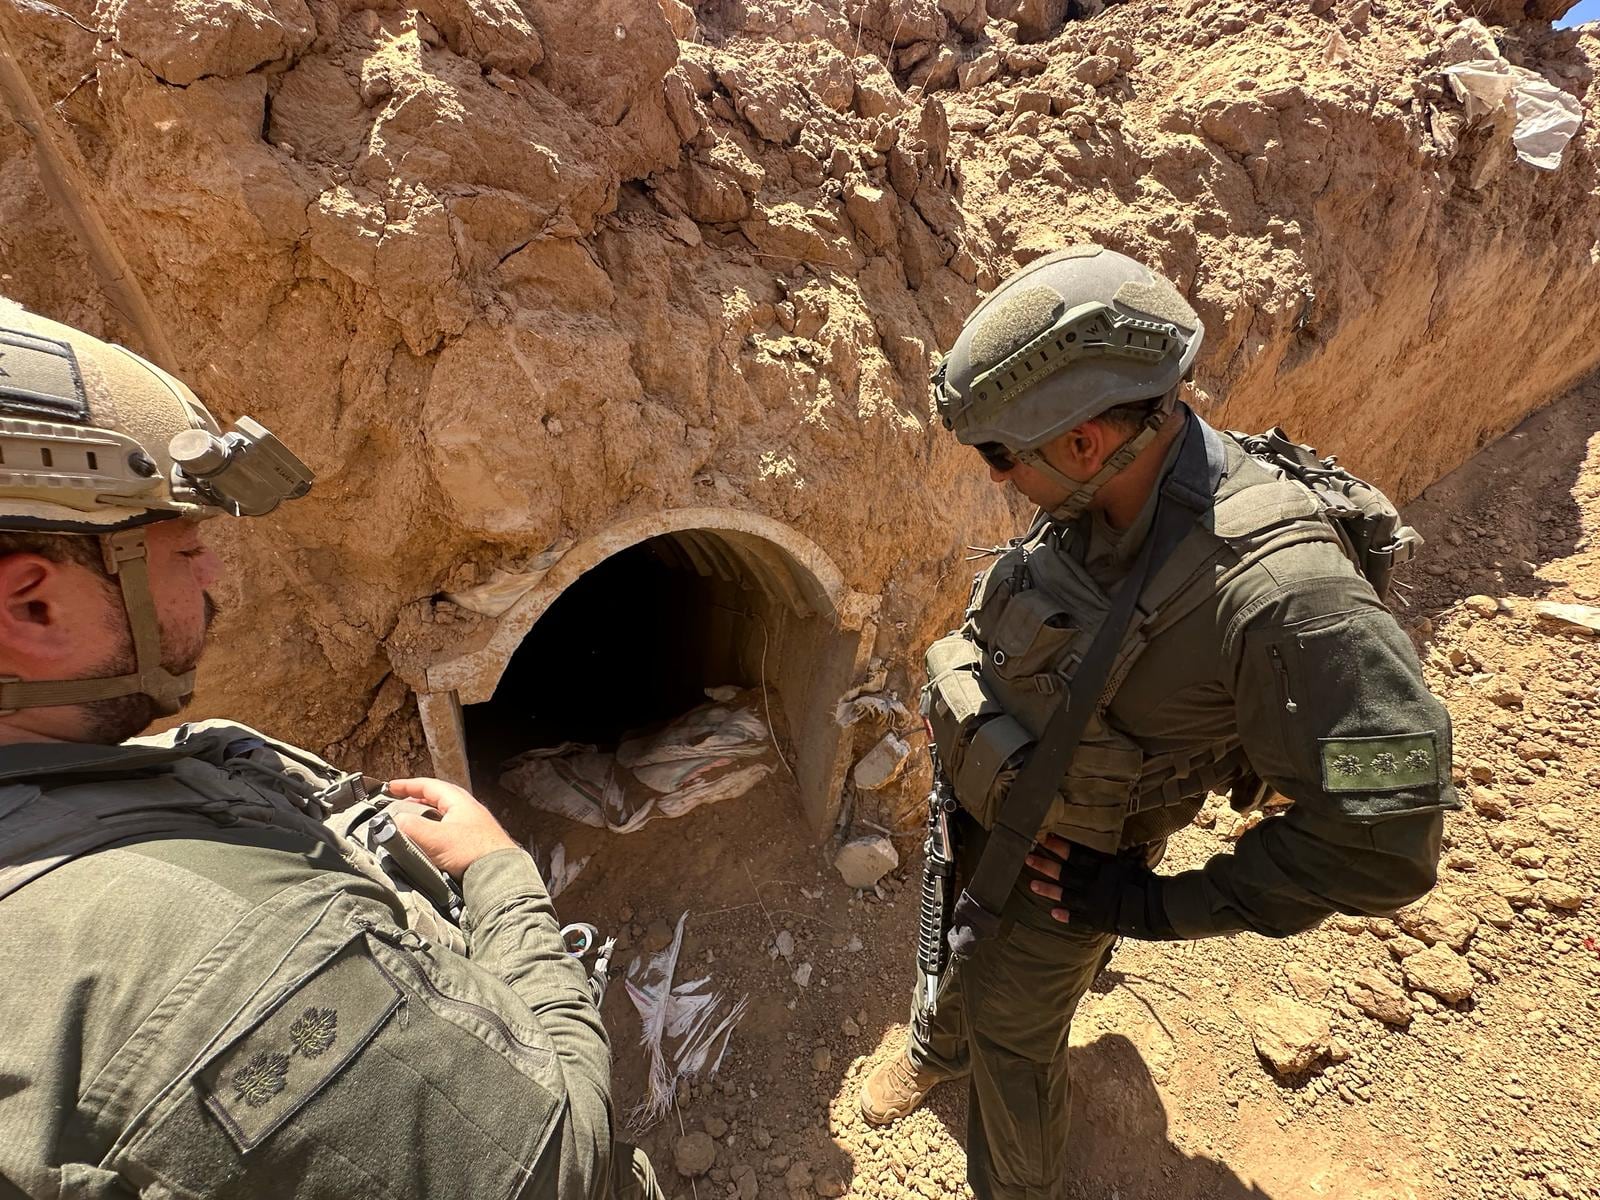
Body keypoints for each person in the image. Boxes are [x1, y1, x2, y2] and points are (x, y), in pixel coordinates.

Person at [0, 298, 661, 1199]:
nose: (213, 572)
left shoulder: (108, 793)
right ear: (31, 607)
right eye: (185, 545)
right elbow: (565, 1164)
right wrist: (501, 876)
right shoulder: (224, 956)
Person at [859, 246, 1456, 1199]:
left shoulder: (1289, 600)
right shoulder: (1120, 487)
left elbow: (1388, 834)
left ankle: (1016, 1185)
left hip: (1078, 866)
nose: (1005, 482)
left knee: (1019, 1032)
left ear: (1087, 442)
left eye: (1005, 458)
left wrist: (1149, 909)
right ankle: (941, 1040)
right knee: (959, 941)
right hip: (998, 794)